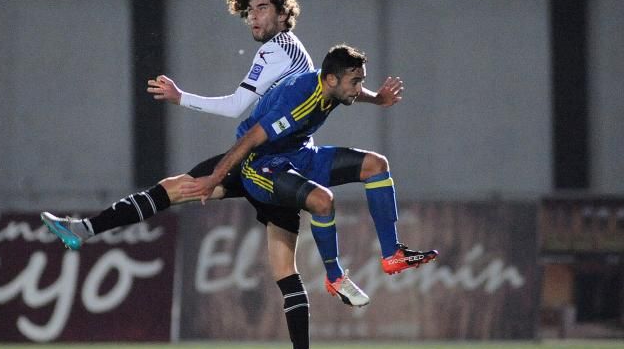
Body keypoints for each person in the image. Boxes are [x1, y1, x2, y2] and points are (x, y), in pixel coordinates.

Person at [42, 0, 385, 349]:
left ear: (283, 14)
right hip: (287, 165)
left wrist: (181, 96)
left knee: (175, 190)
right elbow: (345, 89)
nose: (253, 17)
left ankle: (84, 230)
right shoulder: (305, 60)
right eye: (249, 11)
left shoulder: (276, 49)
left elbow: (237, 106)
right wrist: (379, 99)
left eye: (263, 8)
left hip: (257, 163)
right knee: (284, 268)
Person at [183, 44, 439, 297]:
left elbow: (351, 91)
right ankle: (336, 278)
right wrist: (215, 178)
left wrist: (377, 99)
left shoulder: (332, 84)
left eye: (361, 80)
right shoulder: (298, 101)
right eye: (355, 81)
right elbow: (250, 138)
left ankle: (391, 254)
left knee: (376, 165)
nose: (358, 88)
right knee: (322, 200)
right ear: (330, 79)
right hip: (261, 164)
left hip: (300, 155)